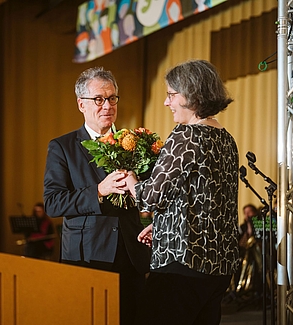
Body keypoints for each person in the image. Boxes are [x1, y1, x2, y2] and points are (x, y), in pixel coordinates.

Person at [123, 59, 240, 325]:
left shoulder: (185, 136)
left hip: (183, 264)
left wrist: (131, 181)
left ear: (192, 94)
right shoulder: (226, 139)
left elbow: (150, 196)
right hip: (219, 266)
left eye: (171, 95)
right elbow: (207, 200)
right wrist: (163, 225)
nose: (167, 103)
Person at [43, 66, 151, 325]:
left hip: (131, 255)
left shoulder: (135, 143)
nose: (107, 106)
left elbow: (149, 195)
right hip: (89, 257)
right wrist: (99, 191)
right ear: (81, 104)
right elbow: (53, 203)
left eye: (112, 98)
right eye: (99, 99)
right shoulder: (63, 147)